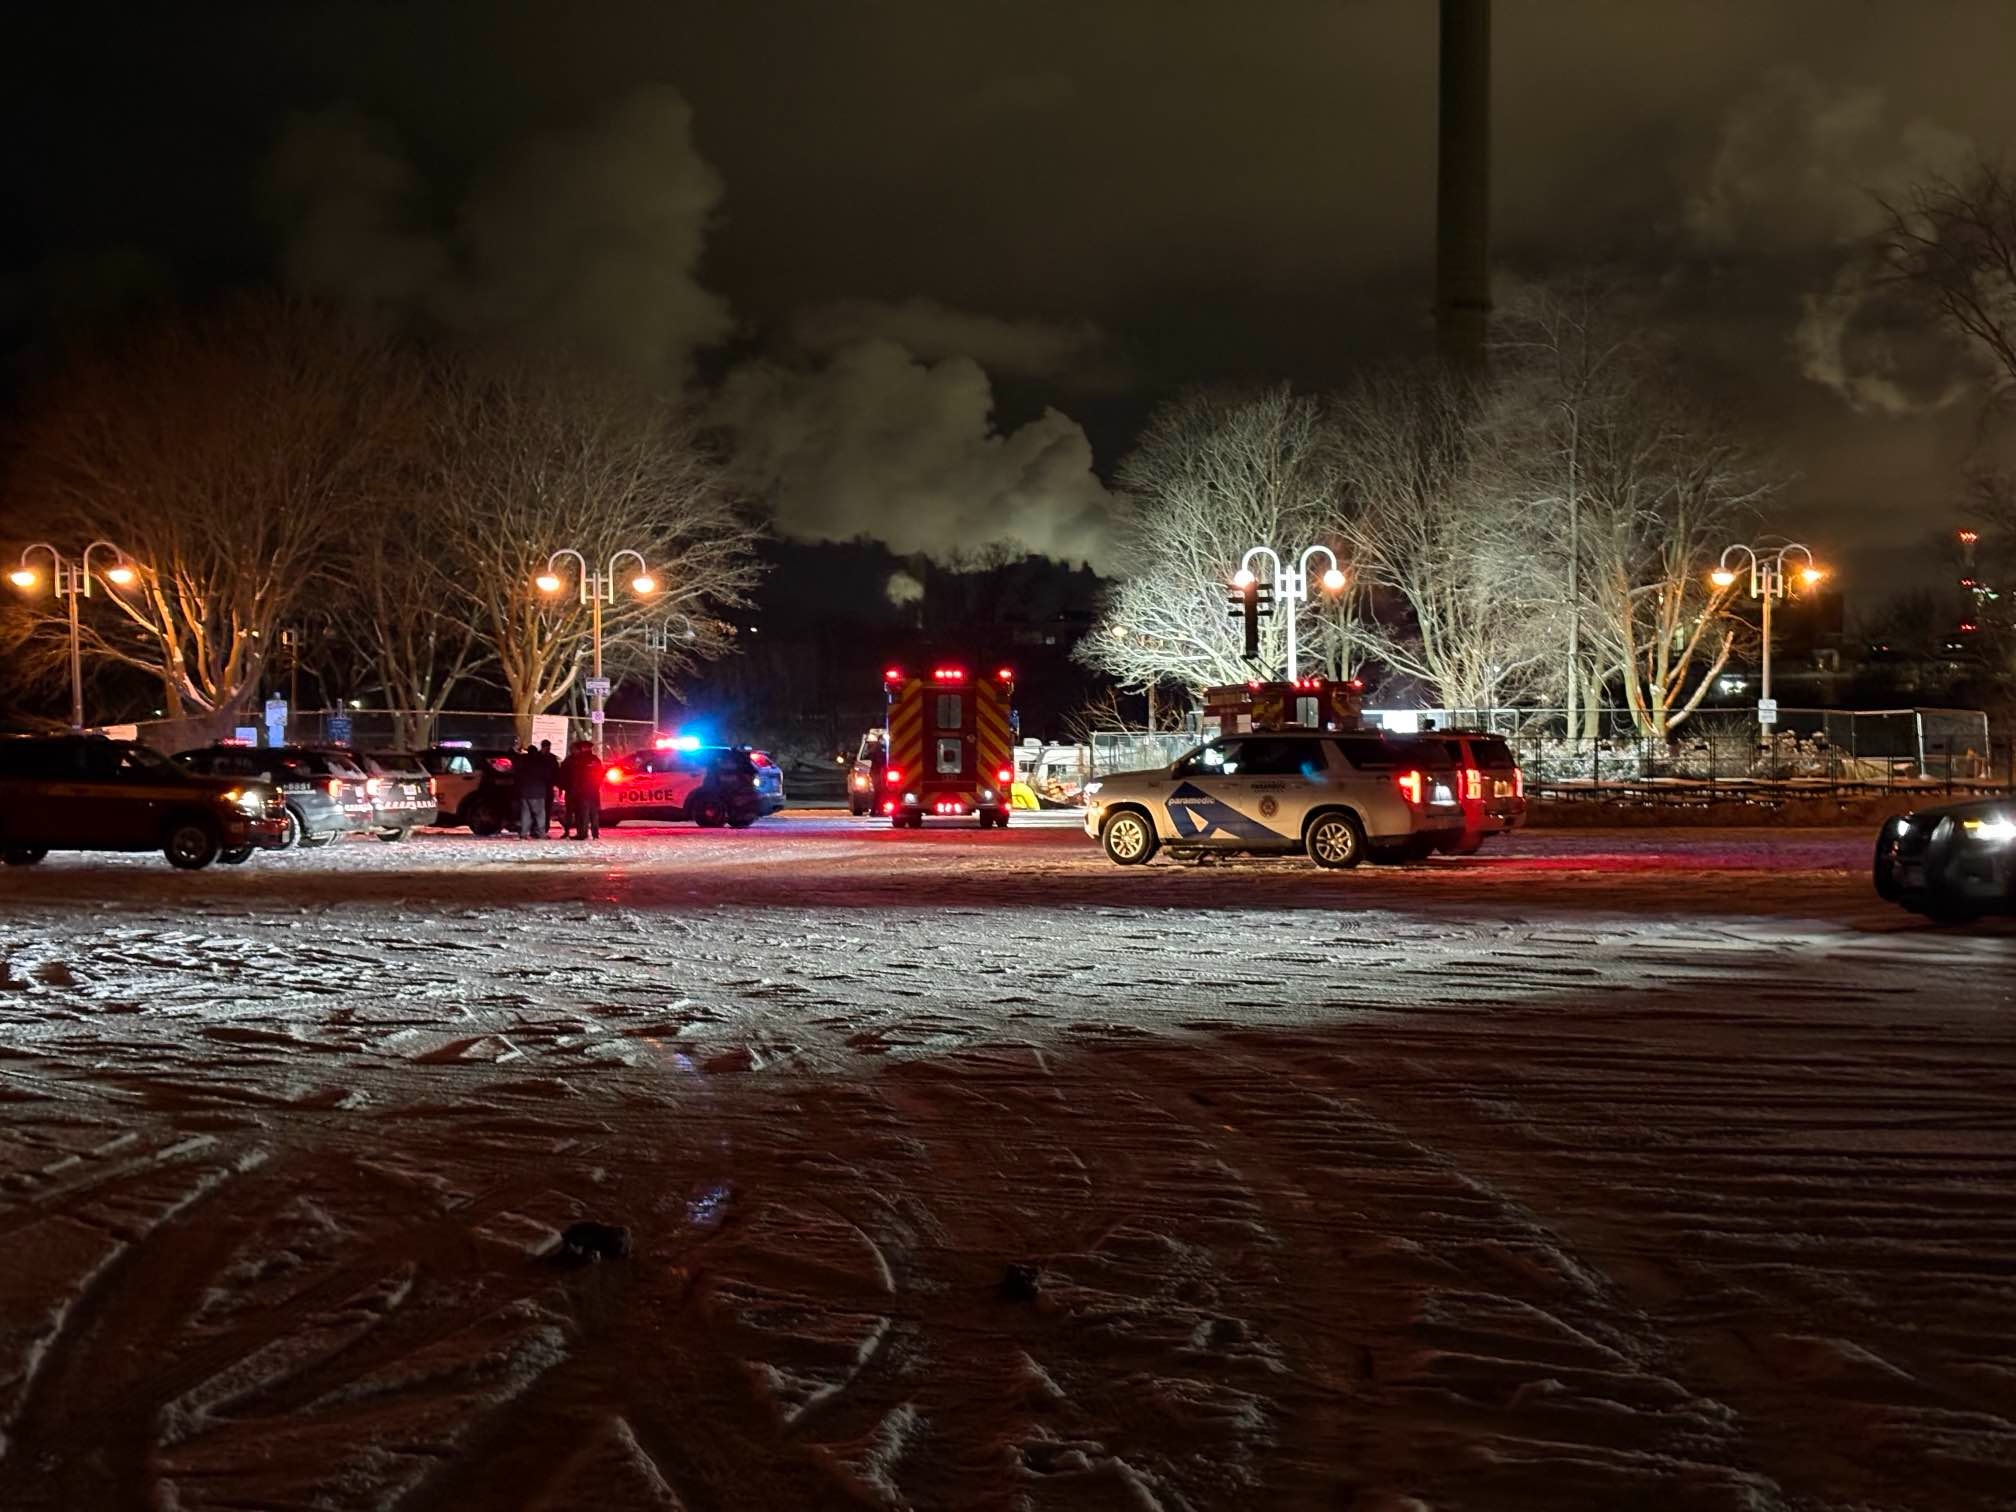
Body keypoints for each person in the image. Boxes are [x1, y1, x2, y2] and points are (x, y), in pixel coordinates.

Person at [560, 740, 603, 839]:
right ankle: (595, 834)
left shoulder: (580, 760)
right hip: (594, 791)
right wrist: (596, 786)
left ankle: (582, 834)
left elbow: (577, 776)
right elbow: (601, 775)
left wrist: (576, 789)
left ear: (584, 748)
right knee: (594, 813)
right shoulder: (596, 760)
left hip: (583, 792)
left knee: (583, 813)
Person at [515, 744, 551, 838]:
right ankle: (541, 833)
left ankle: (523, 833)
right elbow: (547, 776)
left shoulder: (522, 761)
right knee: (539, 814)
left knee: (525, 814)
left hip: (524, 792)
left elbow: (517, 775)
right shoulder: (540, 762)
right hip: (537, 792)